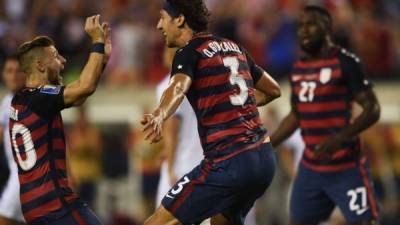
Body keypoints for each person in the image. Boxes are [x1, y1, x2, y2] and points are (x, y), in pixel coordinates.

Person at [141, 0, 281, 224]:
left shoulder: (189, 52)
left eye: (162, 18)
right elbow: (274, 90)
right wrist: (240, 106)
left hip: (229, 161)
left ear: (179, 19)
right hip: (264, 159)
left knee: (157, 222)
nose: (158, 25)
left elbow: (177, 87)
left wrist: (160, 114)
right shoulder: (234, 47)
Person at [271, 6, 381, 225]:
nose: (304, 31)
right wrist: (268, 143)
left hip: (346, 167)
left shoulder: (346, 62)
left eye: (311, 24)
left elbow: (372, 109)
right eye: (300, 26)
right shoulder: (298, 68)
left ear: (327, 29)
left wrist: (341, 137)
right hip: (310, 169)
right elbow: (297, 114)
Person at [10, 15, 111, 225]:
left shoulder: (21, 98)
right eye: (56, 56)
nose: (63, 61)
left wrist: (101, 63)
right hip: (56, 204)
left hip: (32, 206)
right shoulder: (40, 98)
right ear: (40, 64)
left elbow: (80, 96)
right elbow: (84, 87)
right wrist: (97, 43)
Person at [155, 47, 203, 207]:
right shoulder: (200, 83)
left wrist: (170, 166)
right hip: (203, 163)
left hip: (180, 165)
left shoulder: (168, 86)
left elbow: (172, 128)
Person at [0, 56, 26, 225]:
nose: (14, 76)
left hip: (25, 174)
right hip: (14, 173)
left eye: (18, 71)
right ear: (3, 75)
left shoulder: (32, 100)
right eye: (10, 71)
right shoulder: (6, 102)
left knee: (3, 217)